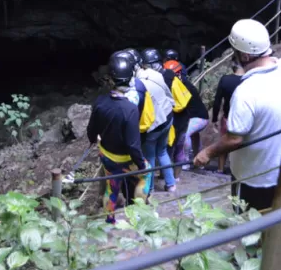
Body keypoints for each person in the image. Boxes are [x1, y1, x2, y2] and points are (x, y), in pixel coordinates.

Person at [194, 19, 281, 213]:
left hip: (254, 179)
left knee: (251, 229)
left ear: (245, 55)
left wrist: (207, 153)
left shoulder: (246, 91)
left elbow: (234, 139)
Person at [86, 55, 150, 224]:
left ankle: (110, 219)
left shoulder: (100, 102)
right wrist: (141, 165)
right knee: (146, 175)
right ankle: (138, 216)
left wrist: (94, 139)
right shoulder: (130, 109)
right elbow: (132, 144)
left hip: (107, 156)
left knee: (111, 187)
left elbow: (91, 131)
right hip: (126, 159)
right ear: (130, 79)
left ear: (111, 79)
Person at [137, 48, 177, 193]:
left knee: (150, 156)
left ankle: (151, 188)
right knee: (162, 152)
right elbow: (168, 94)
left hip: (154, 125)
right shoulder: (156, 75)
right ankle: (171, 184)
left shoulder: (138, 84)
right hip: (167, 118)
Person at [163, 60, 209, 173]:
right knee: (194, 137)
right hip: (199, 116)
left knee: (185, 136)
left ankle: (186, 162)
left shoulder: (182, 86)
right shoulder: (182, 83)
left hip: (199, 117)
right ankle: (200, 162)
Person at [211, 64, 244, 173]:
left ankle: (220, 169)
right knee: (242, 144)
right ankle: (239, 170)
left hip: (228, 117)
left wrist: (215, 118)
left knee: (224, 142)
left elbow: (217, 100)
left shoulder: (225, 80)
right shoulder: (249, 80)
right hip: (244, 118)